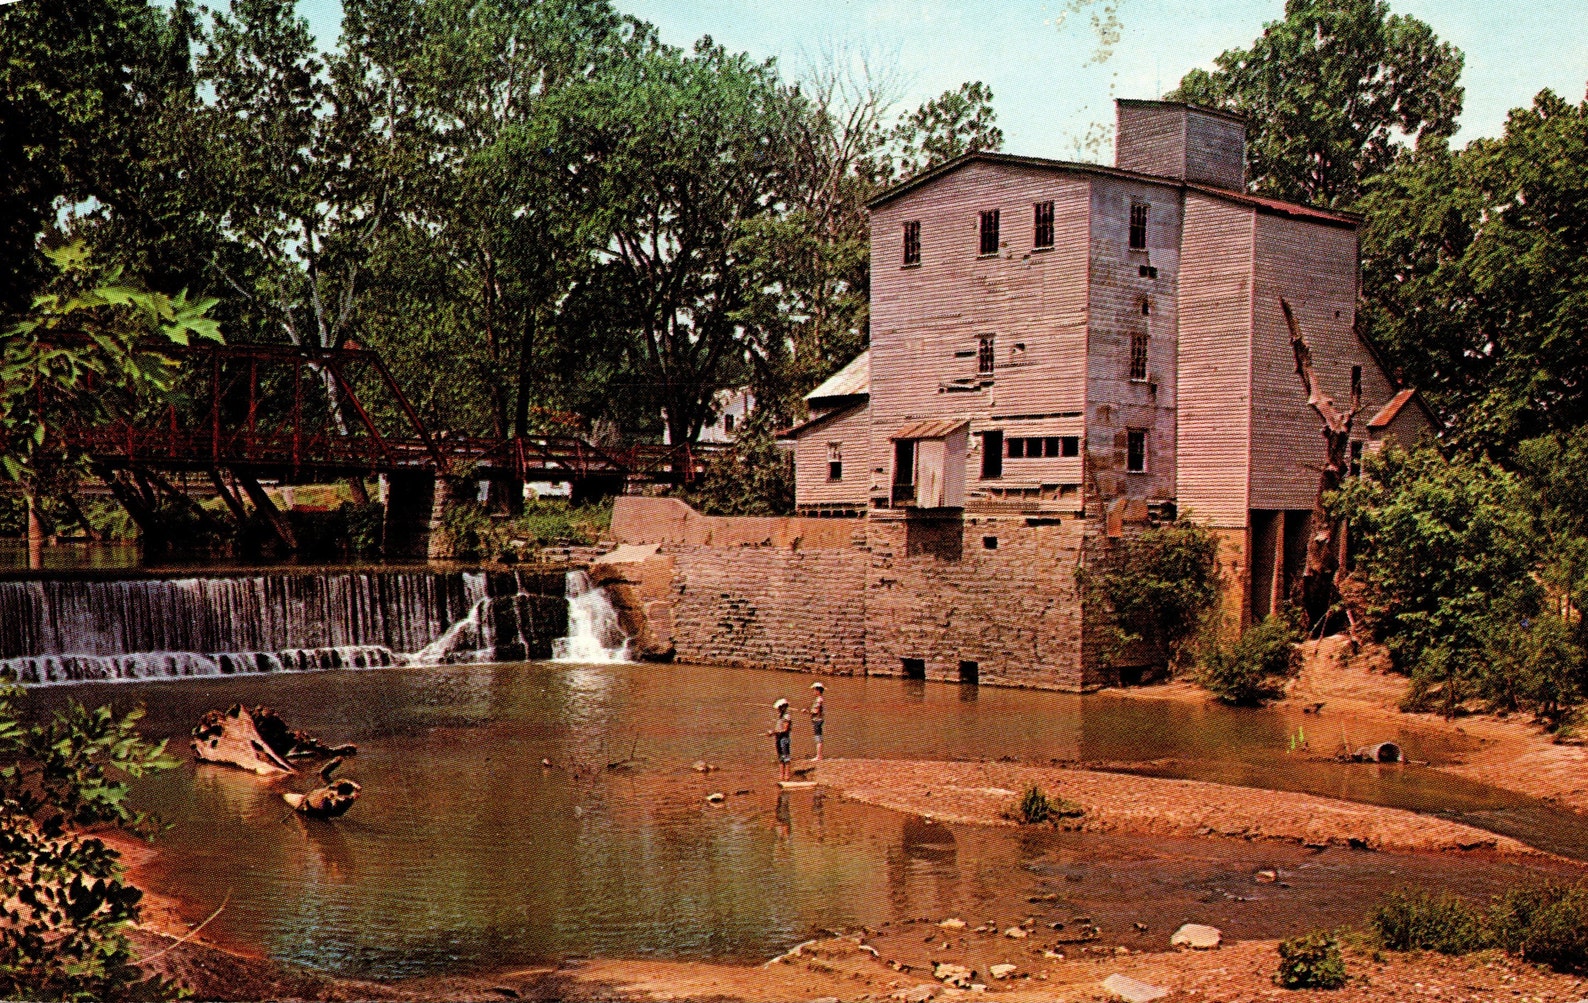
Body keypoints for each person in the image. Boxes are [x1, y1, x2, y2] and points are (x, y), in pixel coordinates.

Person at [767, 698, 793, 781]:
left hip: (784, 739)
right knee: (780, 757)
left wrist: (774, 732)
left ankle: (787, 775)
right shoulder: (781, 716)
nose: (777, 710)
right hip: (778, 739)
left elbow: (785, 729)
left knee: (786, 757)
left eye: (779, 708)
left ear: (782, 707)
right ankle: (781, 775)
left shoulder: (786, 716)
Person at [806, 681, 826, 761]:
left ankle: (819, 756)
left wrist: (807, 711)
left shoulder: (819, 700)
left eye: (814, 690)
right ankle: (819, 755)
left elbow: (816, 711)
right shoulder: (819, 699)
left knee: (818, 738)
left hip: (817, 720)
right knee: (818, 737)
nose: (813, 691)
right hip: (818, 720)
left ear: (818, 690)